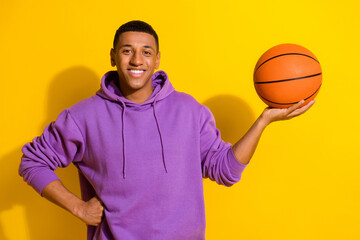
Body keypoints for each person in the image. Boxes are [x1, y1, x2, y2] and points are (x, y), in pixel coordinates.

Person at [19, 20, 314, 240]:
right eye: (127, 51)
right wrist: (78, 207)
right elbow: (32, 162)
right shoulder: (83, 116)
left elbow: (225, 171)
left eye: (146, 52)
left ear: (157, 59)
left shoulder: (189, 110)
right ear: (113, 57)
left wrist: (263, 120)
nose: (137, 60)